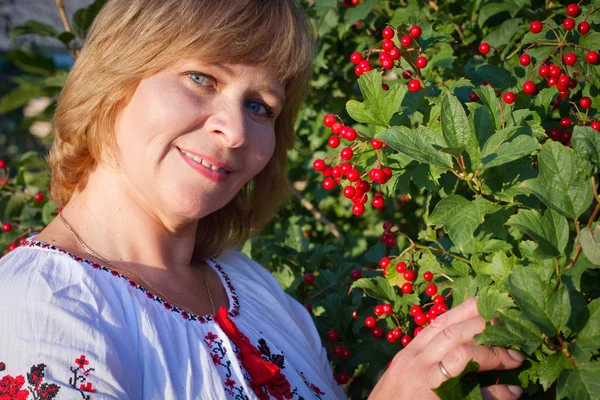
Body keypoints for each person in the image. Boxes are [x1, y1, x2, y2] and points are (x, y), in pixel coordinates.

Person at [0, 1, 525, 399]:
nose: (233, 131)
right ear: (114, 77)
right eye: (201, 77)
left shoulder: (256, 293)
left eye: (260, 106)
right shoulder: (38, 310)